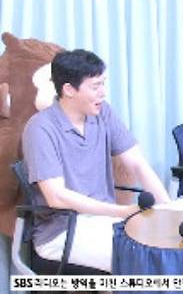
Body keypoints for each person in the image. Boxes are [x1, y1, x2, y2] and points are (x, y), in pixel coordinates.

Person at [21, 49, 169, 272]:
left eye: (103, 84)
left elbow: (137, 162)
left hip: (104, 221)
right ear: (69, 89)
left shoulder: (103, 113)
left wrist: (167, 208)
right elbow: (56, 196)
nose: (103, 93)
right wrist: (121, 212)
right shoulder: (40, 128)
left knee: (165, 246)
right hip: (62, 231)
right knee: (140, 258)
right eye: (95, 86)